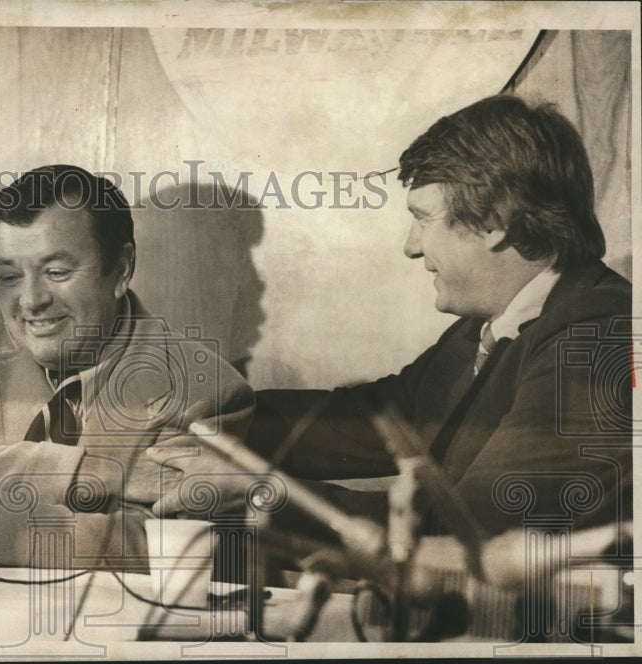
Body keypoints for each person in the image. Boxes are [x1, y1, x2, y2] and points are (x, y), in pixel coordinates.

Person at [152, 95, 632, 553]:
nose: (412, 247)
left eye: (423, 219)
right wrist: (206, 420)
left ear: (494, 222)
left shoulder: (600, 335)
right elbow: (378, 419)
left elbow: (475, 533)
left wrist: (260, 494)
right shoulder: (498, 323)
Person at [0, 165, 254, 568]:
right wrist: (100, 474)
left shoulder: (204, 387)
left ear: (121, 270)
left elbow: (156, 543)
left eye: (57, 272)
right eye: (10, 275)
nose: (31, 300)